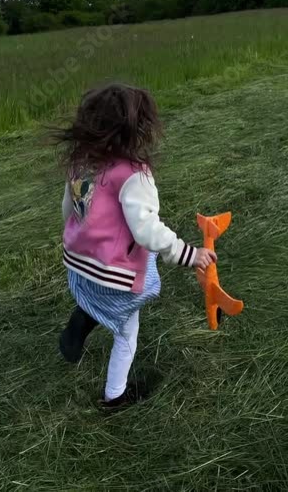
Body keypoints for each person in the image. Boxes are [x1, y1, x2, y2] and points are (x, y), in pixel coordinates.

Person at [54, 83, 217, 409]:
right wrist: (189, 254)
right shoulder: (133, 175)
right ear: (136, 130)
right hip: (115, 273)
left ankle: (79, 323)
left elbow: (67, 209)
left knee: (96, 296)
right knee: (126, 333)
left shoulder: (82, 162)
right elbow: (147, 232)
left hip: (80, 262)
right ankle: (115, 397)